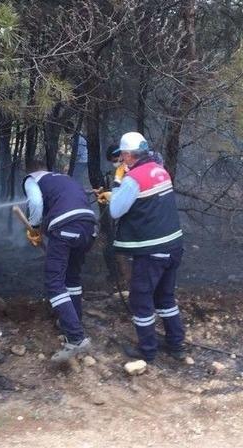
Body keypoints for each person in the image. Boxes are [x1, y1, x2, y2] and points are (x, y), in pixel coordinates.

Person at [97, 132, 187, 362]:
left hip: (151, 250)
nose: (121, 160)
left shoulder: (132, 179)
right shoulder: (160, 171)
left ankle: (147, 351)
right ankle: (176, 345)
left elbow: (116, 211)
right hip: (173, 245)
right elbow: (145, 200)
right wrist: (117, 193)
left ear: (127, 154)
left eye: (123, 156)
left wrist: (116, 186)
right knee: (165, 297)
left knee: (141, 299)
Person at [23, 158, 97, 363]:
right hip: (89, 228)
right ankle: (74, 321)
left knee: (54, 282)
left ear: (30, 172)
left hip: (66, 228)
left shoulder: (31, 180)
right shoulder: (63, 179)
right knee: (72, 278)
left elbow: (36, 203)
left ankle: (76, 337)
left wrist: (35, 228)